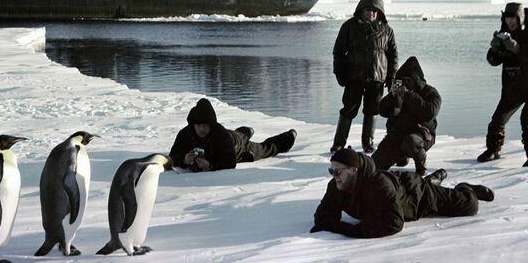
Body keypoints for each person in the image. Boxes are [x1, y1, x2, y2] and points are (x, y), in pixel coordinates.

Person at [310, 148, 494, 238]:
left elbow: (393, 223)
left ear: (354, 170)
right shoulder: (336, 185)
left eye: (338, 171)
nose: (334, 176)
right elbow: (324, 214)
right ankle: (434, 179)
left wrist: (342, 228)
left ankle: (467, 187)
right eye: (331, 171)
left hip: (418, 195)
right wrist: (327, 222)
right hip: (397, 188)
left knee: (469, 205)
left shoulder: (378, 185)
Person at [477, 3, 528, 167]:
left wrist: (518, 49)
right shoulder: (504, 32)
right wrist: (494, 51)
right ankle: (494, 150)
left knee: (527, 122)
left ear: (520, 17)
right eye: (507, 18)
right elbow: (493, 61)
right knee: (497, 120)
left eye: (513, 18)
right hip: (514, 86)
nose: (510, 21)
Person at [331, 0, 398, 154]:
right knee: (348, 109)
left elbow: (393, 56)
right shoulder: (349, 27)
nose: (371, 13)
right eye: (368, 9)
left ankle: (368, 142)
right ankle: (339, 143)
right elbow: (338, 51)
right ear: (361, 10)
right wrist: (339, 72)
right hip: (354, 77)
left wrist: (392, 78)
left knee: (372, 110)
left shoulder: (387, 30)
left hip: (377, 78)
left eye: (375, 10)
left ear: (380, 12)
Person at [169, 98, 297, 172]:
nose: (201, 129)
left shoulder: (220, 135)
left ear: (211, 125)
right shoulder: (185, 133)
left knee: (263, 149)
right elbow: (172, 157)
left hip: (237, 145)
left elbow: (229, 162)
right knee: (237, 134)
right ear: (193, 124)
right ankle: (245, 131)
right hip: (231, 136)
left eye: (205, 125)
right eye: (198, 125)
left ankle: (288, 138)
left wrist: (210, 165)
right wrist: (184, 160)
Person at [371, 56, 441, 175]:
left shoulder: (430, 93)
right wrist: (391, 96)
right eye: (402, 80)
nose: (405, 83)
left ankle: (421, 164)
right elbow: (382, 111)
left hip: (421, 135)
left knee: (411, 141)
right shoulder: (398, 94)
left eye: (408, 80)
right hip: (398, 134)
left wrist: (409, 95)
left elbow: (429, 113)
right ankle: (401, 156)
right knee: (374, 165)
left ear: (416, 79)